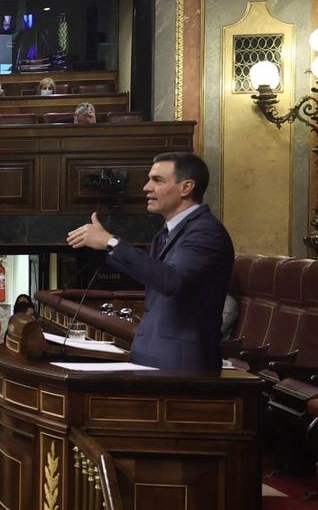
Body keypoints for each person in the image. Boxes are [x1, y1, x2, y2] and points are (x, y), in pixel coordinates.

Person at [65, 152, 235, 371]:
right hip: (155, 357)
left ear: (186, 187)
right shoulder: (165, 234)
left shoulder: (205, 231)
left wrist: (111, 242)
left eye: (157, 180)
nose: (146, 187)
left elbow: (172, 280)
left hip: (182, 366)